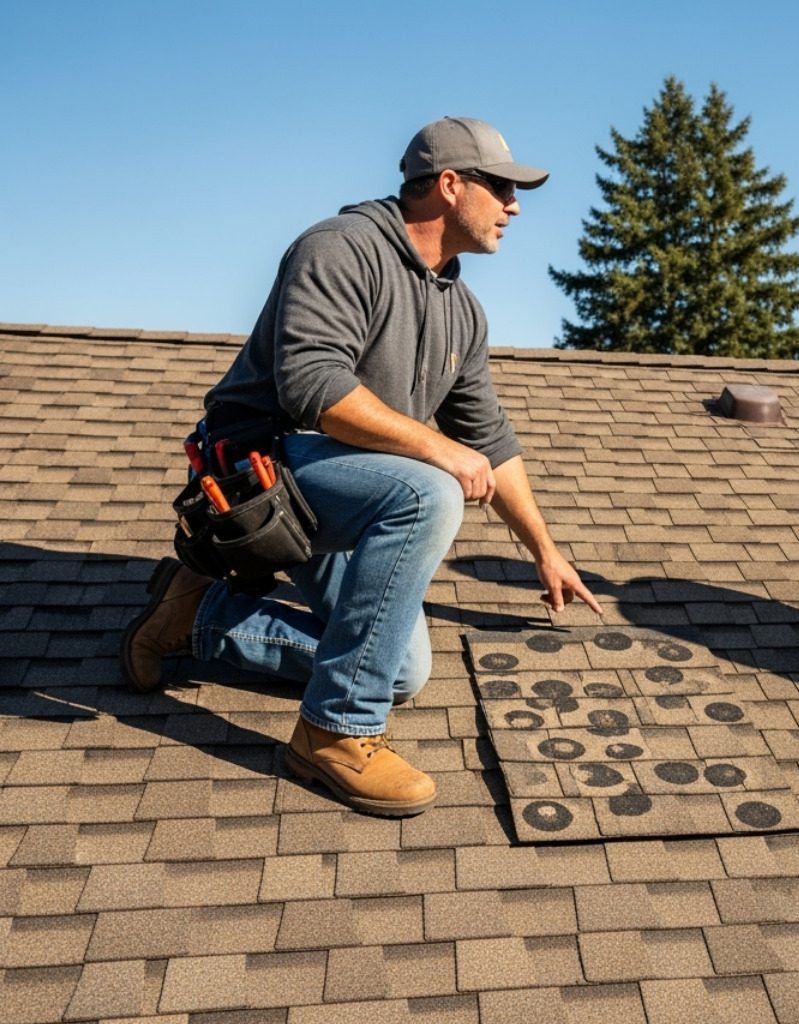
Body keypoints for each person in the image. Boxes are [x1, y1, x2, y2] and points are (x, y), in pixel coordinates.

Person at [120, 117, 602, 817]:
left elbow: (491, 441)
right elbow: (311, 387)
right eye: (502, 188)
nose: (515, 206)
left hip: (344, 490)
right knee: (428, 494)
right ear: (449, 184)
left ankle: (196, 618)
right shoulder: (342, 248)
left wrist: (546, 552)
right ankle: (335, 731)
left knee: (402, 671)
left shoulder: (461, 313)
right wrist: (440, 451)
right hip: (258, 475)